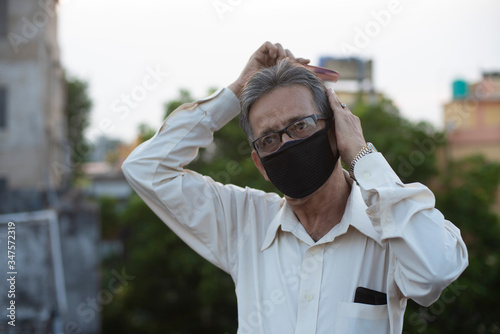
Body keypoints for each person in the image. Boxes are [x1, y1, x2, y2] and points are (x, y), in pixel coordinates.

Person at [122, 42, 468, 333]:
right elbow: (145, 168)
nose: (287, 144)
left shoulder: (390, 228)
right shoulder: (245, 223)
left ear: (335, 131)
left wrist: (363, 156)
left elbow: (438, 269)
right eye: (270, 139)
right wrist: (236, 90)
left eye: (300, 126)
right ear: (260, 164)